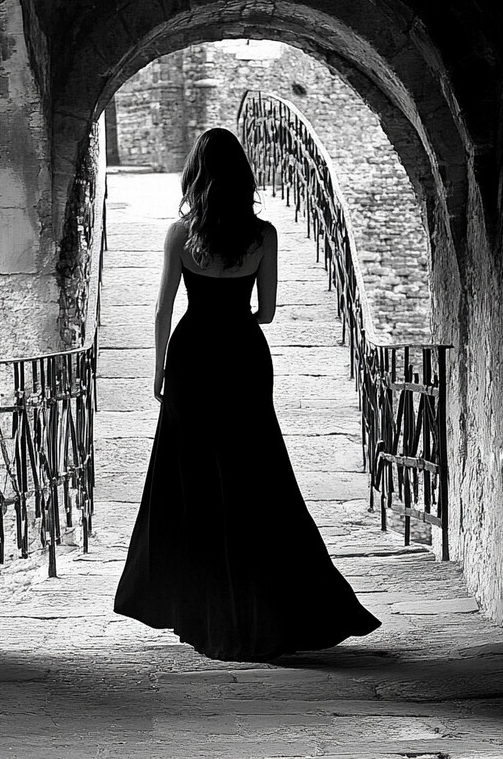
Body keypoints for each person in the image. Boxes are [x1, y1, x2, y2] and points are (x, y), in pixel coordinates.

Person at [113, 127, 381, 662]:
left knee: (191, 483)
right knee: (257, 478)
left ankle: (201, 609)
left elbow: (164, 309)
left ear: (197, 176)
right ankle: (272, 607)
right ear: (243, 178)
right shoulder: (264, 235)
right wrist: (237, 311)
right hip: (242, 354)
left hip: (192, 357)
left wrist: (160, 370)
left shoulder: (180, 234)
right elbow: (268, 310)